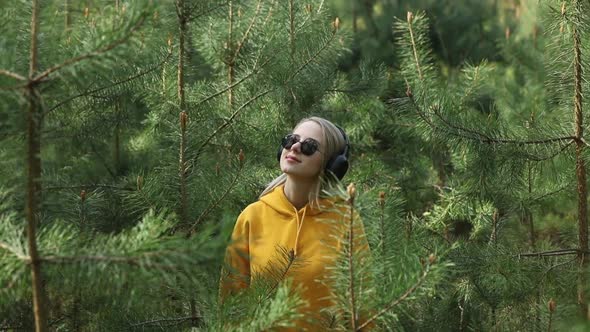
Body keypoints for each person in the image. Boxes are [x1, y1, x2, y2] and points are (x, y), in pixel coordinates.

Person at [219, 116, 372, 330]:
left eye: (310, 146)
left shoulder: (345, 221)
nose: (296, 147)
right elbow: (231, 304)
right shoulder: (252, 217)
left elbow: (364, 306)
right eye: (291, 140)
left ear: (331, 164)